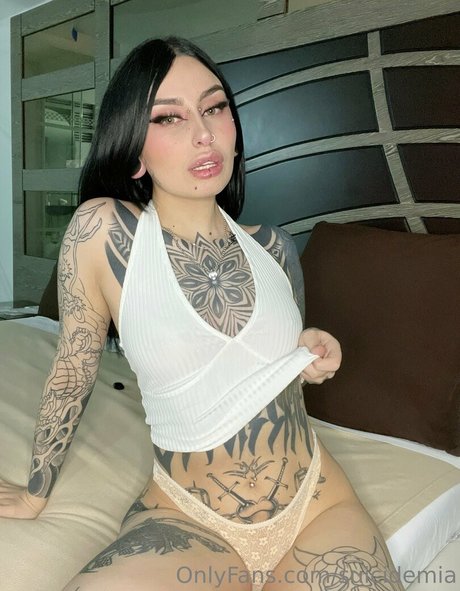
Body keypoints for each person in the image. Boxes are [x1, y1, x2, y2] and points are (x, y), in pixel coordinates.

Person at [0, 37, 403, 591]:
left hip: (316, 504)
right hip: (187, 518)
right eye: (169, 117)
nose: (203, 133)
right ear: (134, 151)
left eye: (214, 108)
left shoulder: (276, 248)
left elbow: (278, 374)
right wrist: (34, 494)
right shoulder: (103, 231)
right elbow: (73, 370)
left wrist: (310, 351)